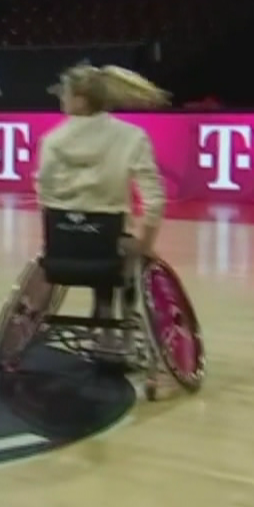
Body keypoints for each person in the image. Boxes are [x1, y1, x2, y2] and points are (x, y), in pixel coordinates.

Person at [36, 64, 169, 326]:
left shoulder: (51, 140)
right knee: (123, 247)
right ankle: (120, 317)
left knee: (101, 240)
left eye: (65, 93)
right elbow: (154, 199)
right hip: (109, 238)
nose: (61, 98)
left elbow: (44, 192)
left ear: (81, 100)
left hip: (62, 242)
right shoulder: (132, 137)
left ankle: (103, 308)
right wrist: (146, 243)